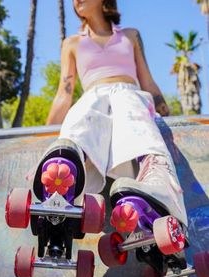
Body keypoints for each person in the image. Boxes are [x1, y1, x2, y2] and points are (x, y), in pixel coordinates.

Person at [34, 0, 188, 243]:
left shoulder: (130, 36)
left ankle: (157, 183)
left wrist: (172, 125)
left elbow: (147, 80)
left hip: (130, 96)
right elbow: (64, 92)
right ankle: (65, 166)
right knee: (84, 113)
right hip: (93, 99)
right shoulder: (72, 43)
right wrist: (41, 138)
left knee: (133, 114)